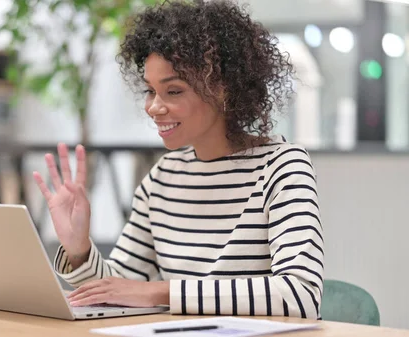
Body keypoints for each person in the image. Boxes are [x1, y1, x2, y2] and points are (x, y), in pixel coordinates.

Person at [32, 0, 323, 319]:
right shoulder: (163, 177)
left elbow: (300, 295)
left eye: (173, 92)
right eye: (150, 91)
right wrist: (79, 250)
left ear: (223, 90)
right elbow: (117, 291)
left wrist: (160, 292)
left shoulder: (281, 166)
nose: (154, 107)